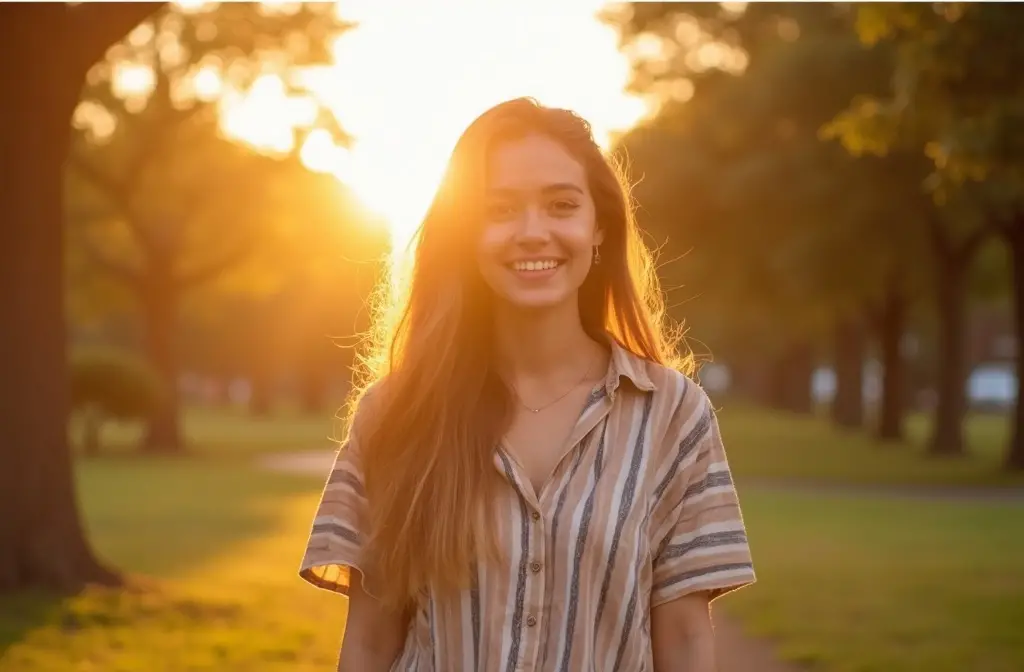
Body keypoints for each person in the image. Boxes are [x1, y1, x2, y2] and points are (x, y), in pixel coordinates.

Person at [298, 97, 755, 671]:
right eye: (501, 210)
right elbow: (368, 641)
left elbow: (686, 639)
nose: (532, 232)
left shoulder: (673, 414)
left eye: (562, 205)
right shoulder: (397, 411)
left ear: (598, 228)